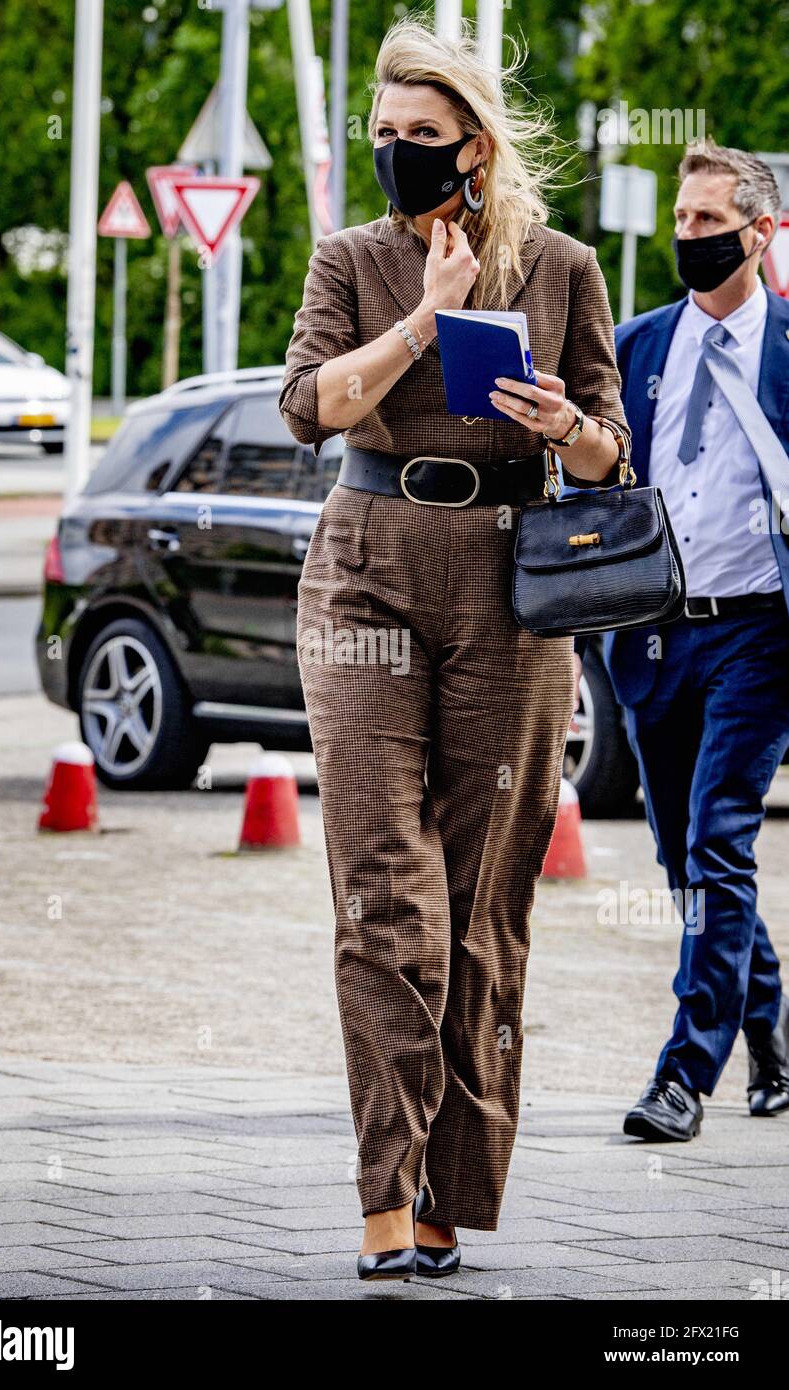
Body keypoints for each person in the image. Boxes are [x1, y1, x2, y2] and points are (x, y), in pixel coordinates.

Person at [278, 14, 629, 1281]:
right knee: (385, 894)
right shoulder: (351, 258)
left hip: (512, 586)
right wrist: (424, 320)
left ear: (474, 149)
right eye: (381, 136)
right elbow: (310, 404)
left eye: (420, 137)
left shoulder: (561, 265)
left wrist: (565, 428)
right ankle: (383, 1189)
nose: (397, 156)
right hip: (365, 570)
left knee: (484, 909)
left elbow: (606, 445)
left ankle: (450, 1190)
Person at [606, 139, 789, 1142]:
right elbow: (603, 478)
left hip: (756, 633)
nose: (688, 236)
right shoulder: (638, 344)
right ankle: (768, 1025)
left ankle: (683, 1071)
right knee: (685, 861)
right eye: (679, 221)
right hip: (647, 638)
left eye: (707, 223)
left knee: (719, 838)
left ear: (757, 233)